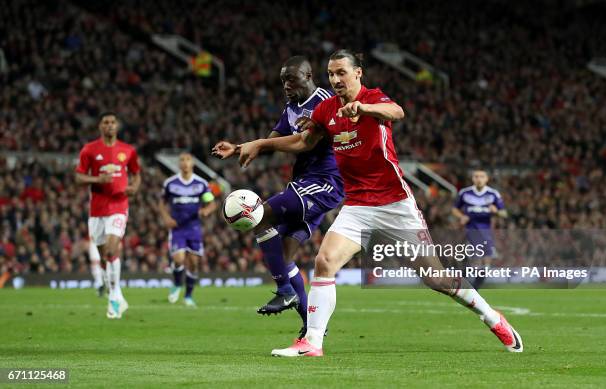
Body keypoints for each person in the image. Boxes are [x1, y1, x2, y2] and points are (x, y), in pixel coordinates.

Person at [237, 49, 523, 356]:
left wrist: (365, 108)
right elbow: (303, 142)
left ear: (358, 73)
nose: (335, 80)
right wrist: (261, 143)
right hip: (357, 205)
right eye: (331, 74)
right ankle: (312, 342)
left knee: (436, 278)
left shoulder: (375, 98)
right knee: (325, 261)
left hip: (394, 204)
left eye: (341, 73)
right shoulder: (326, 110)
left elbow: (397, 112)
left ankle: (491, 316)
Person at [212, 56, 343, 338]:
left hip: (324, 182)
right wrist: (239, 148)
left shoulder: (325, 101)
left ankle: (284, 290)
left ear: (308, 76)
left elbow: (302, 142)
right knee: (283, 256)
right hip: (305, 184)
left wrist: (258, 144)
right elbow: (273, 139)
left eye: (291, 79)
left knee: (258, 216)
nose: (286, 85)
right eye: (283, 80)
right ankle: (312, 326)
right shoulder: (292, 107)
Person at [76, 112, 141, 319]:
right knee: (104, 258)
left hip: (119, 204)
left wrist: (134, 188)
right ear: (100, 126)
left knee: (112, 250)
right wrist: (97, 179)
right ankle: (118, 293)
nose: (110, 125)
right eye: (106, 122)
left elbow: (136, 174)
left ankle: (113, 297)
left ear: (117, 126)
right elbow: (78, 177)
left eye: (113, 122)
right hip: (97, 209)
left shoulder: (128, 150)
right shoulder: (89, 150)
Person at [159, 152, 217, 307]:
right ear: (179, 164)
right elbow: (162, 203)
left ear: (192, 164)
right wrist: (166, 218)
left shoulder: (200, 184)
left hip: (194, 228)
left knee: (193, 263)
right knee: (178, 259)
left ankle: (188, 296)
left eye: (188, 160)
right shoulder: (170, 183)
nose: (185, 163)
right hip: (177, 228)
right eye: (182, 160)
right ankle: (177, 284)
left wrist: (206, 211)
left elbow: (211, 203)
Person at [452, 169, 507, 290]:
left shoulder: (493, 194)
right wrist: (462, 216)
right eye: (476, 176)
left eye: (482, 176)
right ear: (473, 179)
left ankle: (474, 283)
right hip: (468, 230)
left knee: (484, 259)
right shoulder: (465, 193)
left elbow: (504, 213)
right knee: (470, 257)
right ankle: (469, 283)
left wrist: (496, 211)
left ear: (486, 179)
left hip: (485, 230)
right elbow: (454, 209)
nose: (479, 179)